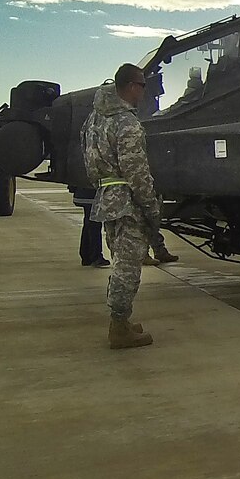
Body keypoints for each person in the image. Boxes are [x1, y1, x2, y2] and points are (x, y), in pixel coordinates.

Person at [85, 64, 160, 350]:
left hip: (107, 197)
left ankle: (122, 321)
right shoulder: (126, 123)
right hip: (127, 201)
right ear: (130, 86)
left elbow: (88, 157)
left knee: (119, 262)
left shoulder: (95, 117)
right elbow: (136, 171)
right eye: (142, 85)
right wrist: (151, 207)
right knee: (127, 268)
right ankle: (118, 327)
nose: (144, 91)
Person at [75, 185, 108, 268]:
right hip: (92, 193)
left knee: (89, 223)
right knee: (94, 223)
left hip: (84, 191)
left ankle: (87, 255)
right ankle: (95, 256)